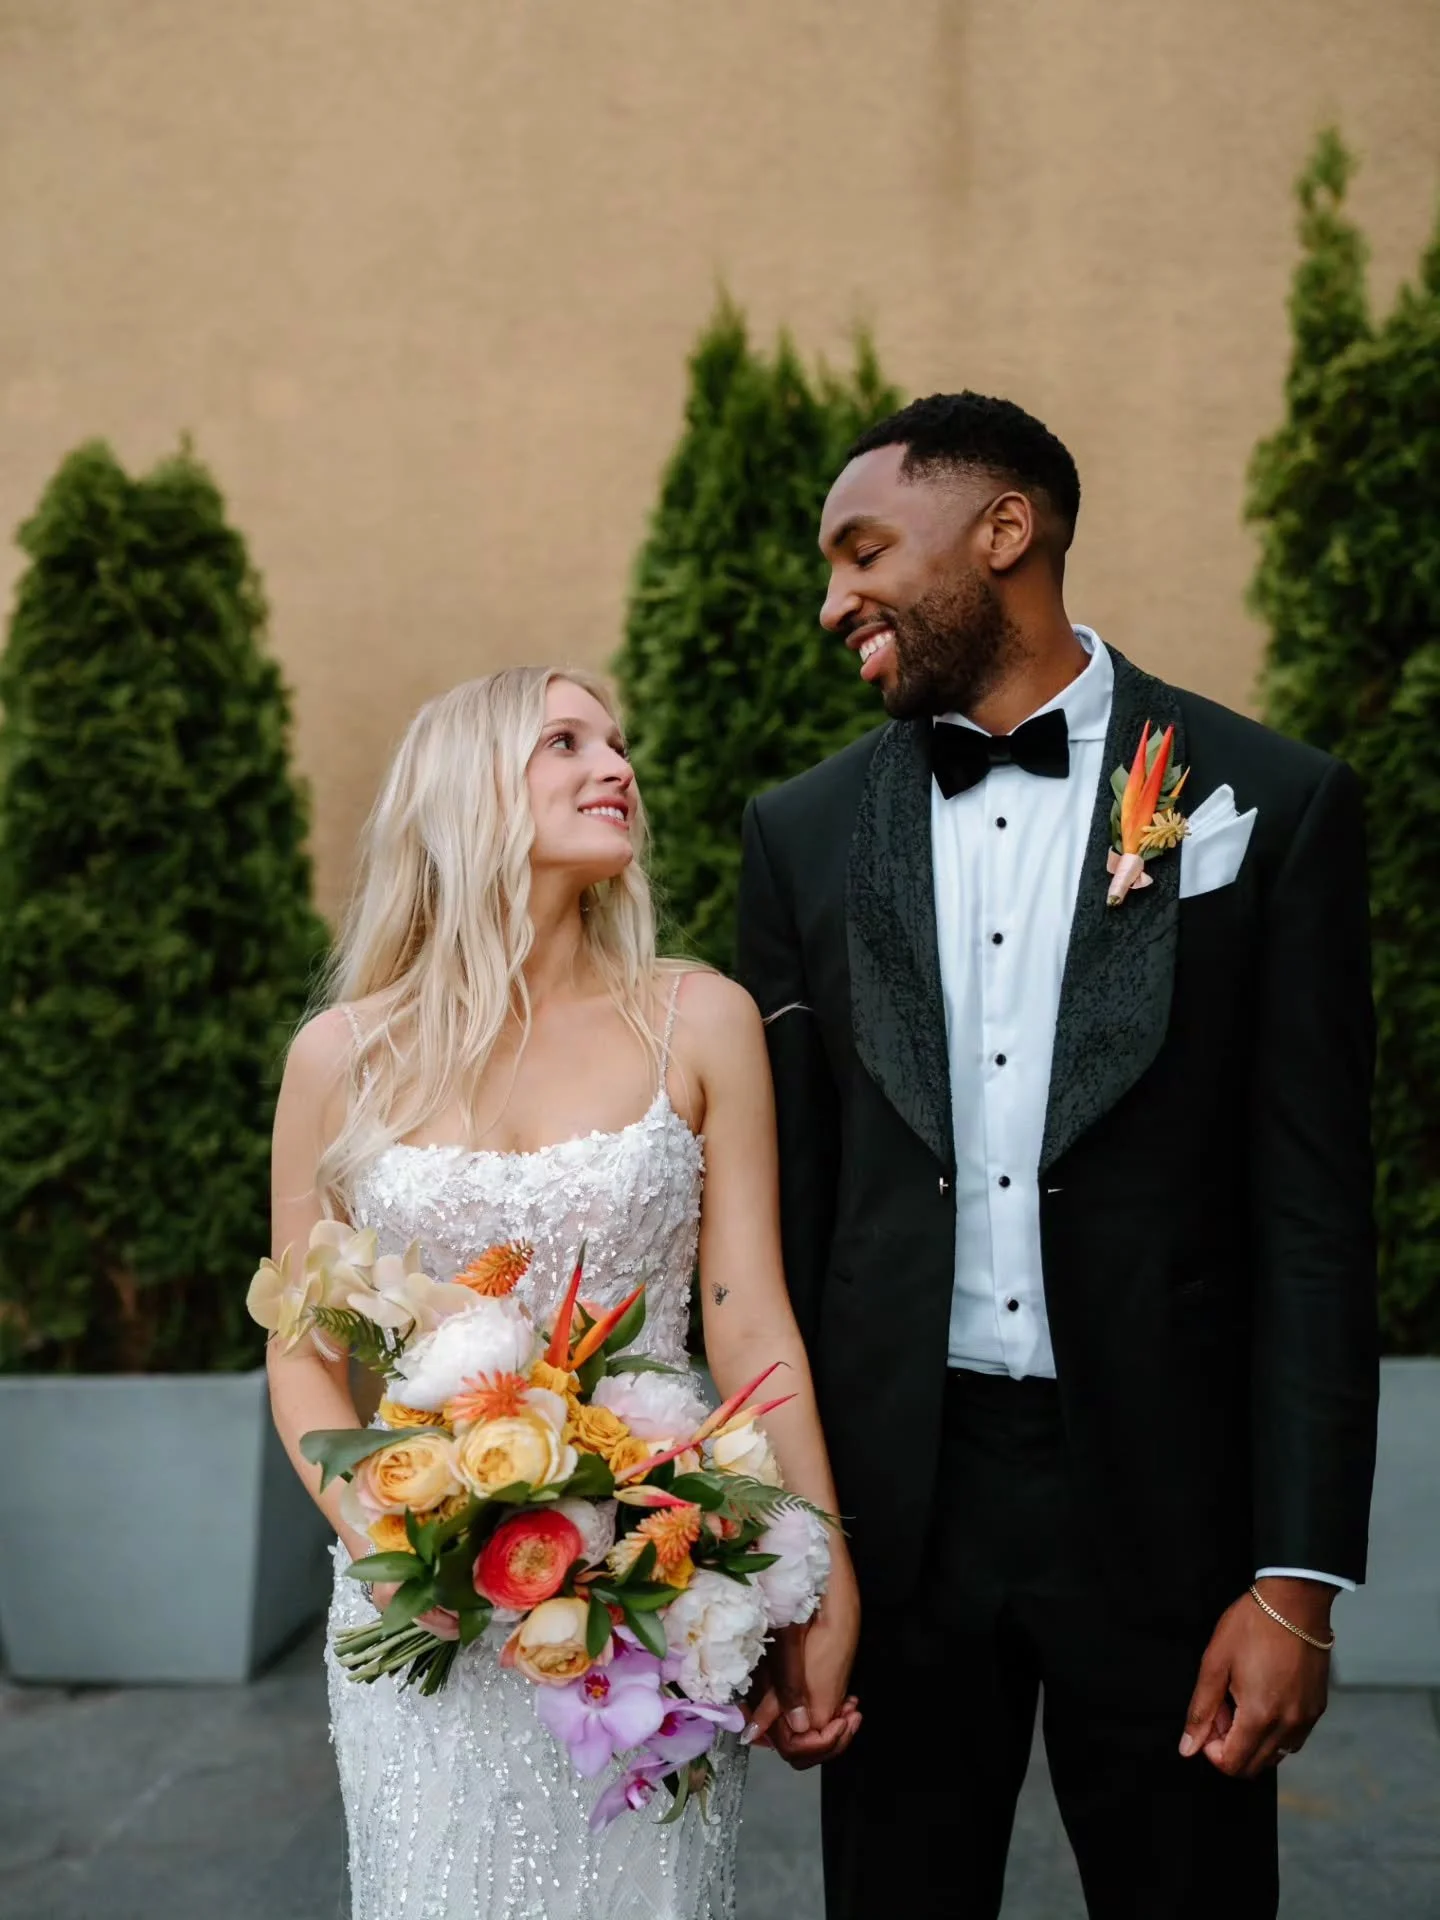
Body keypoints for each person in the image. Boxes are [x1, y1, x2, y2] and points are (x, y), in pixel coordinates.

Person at [735, 393, 1379, 1919]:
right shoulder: (803, 833)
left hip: (1170, 1523)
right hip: (894, 1527)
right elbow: (781, 1230)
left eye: (864, 551)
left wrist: (1296, 1580)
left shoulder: (1267, 803)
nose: (834, 601)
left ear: (1006, 531)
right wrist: (782, 1554)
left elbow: (1313, 1217)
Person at [264, 666, 860, 1920]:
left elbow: (748, 1316)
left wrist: (823, 1561)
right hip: (426, 1611)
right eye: (566, 742)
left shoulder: (701, 1020)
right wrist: (385, 1545)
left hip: (657, 1589)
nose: (616, 766)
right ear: (468, 790)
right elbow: (303, 1352)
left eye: (620, 742)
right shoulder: (339, 1056)